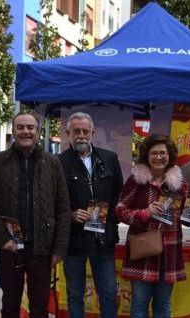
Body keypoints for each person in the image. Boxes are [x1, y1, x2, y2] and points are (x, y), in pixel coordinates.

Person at [0, 113, 71, 318]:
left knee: (40, 306)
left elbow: (63, 208)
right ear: (13, 131)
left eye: (30, 127)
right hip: (10, 247)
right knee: (10, 304)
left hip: (42, 248)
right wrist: (2, 239)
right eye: (20, 127)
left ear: (38, 132)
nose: (26, 131)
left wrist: (59, 248)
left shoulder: (52, 163)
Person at [115, 134, 188, 318]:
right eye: (154, 153)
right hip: (143, 252)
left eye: (162, 153)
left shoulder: (180, 184)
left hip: (169, 253)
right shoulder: (136, 181)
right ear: (146, 156)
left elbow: (186, 217)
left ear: (169, 155)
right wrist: (144, 214)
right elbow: (120, 210)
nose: (158, 157)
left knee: (163, 304)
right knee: (139, 304)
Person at [59, 112, 123, 318]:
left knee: (108, 294)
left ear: (92, 133)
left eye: (85, 131)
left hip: (103, 240)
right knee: (75, 294)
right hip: (74, 241)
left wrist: (110, 222)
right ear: (68, 133)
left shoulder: (110, 159)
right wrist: (69, 215)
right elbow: (51, 201)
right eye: (76, 131)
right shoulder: (58, 162)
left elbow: (118, 197)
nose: (81, 135)